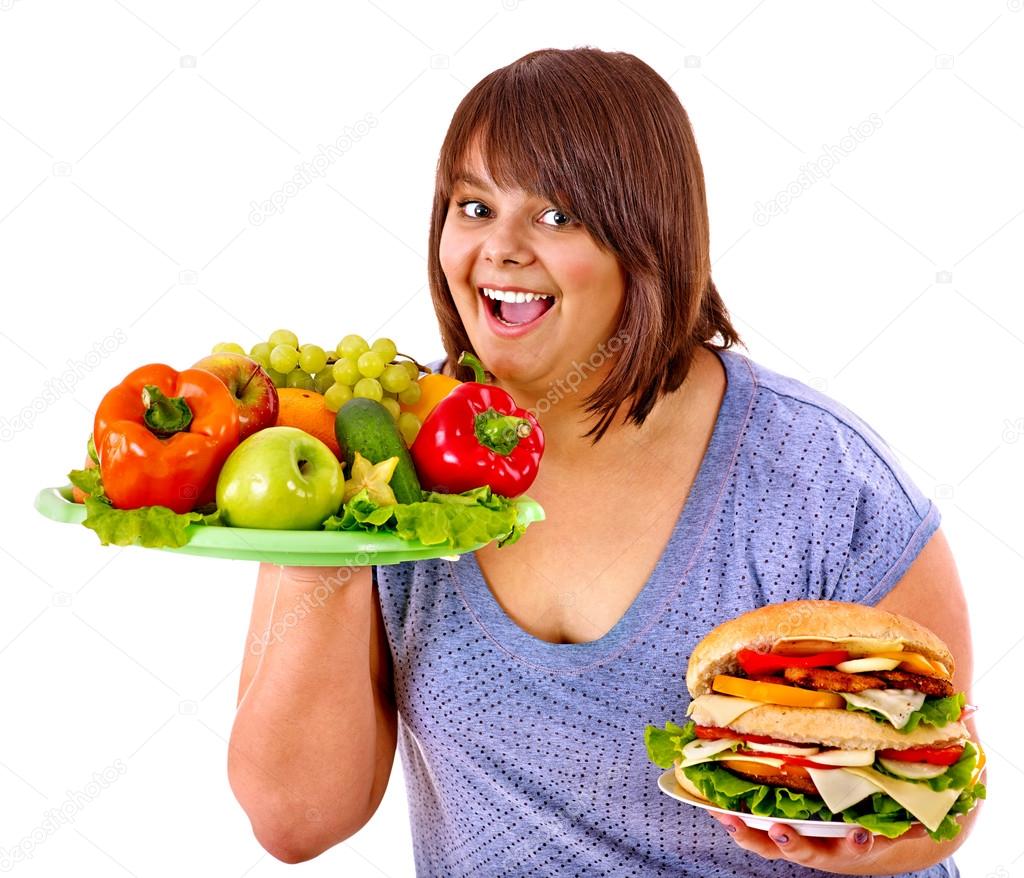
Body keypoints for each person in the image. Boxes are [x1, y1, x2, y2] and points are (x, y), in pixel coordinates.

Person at [227, 47, 980, 876]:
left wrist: (856, 839)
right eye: (473, 207)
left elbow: (940, 801)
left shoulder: (822, 480)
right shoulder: (376, 467)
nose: (502, 250)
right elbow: (297, 823)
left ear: (646, 238)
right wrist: (317, 563)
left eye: (557, 217)